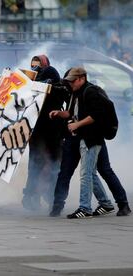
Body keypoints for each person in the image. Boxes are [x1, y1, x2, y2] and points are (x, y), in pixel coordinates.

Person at [49, 67, 114, 219]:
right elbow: (71, 113)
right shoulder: (76, 93)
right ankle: (106, 204)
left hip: (92, 138)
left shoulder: (90, 92)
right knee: (90, 173)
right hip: (85, 138)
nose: (70, 84)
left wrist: (76, 125)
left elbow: (95, 115)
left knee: (86, 174)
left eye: (73, 81)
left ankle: (85, 208)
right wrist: (59, 113)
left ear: (82, 78)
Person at [22, 55, 68, 210]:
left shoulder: (56, 84)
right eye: (32, 67)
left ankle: (52, 198)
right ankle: (30, 197)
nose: (35, 70)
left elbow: (65, 95)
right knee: (35, 165)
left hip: (53, 133)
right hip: (37, 134)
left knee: (54, 165)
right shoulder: (31, 86)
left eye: (38, 67)